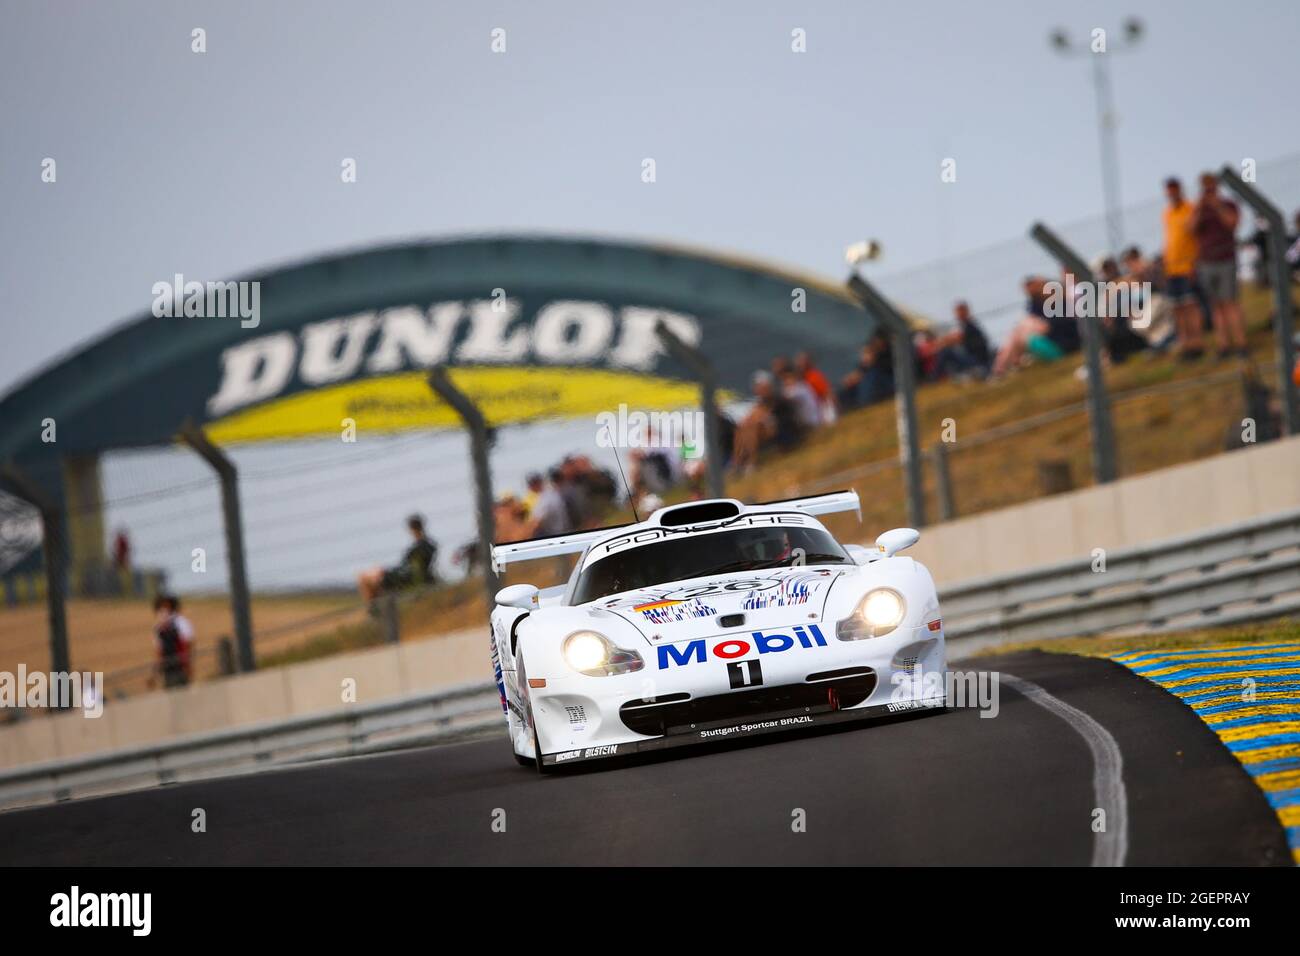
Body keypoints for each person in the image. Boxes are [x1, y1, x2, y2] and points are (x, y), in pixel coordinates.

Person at [1191, 172, 1247, 359]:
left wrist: (1217, 205)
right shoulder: (1199, 209)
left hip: (1225, 259)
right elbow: (1190, 229)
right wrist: (1200, 207)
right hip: (1206, 262)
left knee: (1230, 302)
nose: (1208, 190)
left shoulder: (1228, 204)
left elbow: (1232, 223)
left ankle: (1241, 344)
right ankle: (1223, 345)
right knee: (1216, 306)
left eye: (1210, 186)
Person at [1162, 177, 1204, 358]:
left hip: (1188, 265)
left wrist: (1195, 262)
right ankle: (1185, 344)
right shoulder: (1167, 213)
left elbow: (1197, 236)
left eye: (1174, 189)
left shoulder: (1191, 208)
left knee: (1190, 305)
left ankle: (1197, 342)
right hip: (1171, 268)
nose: (1171, 194)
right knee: (1177, 308)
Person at [357, 514, 438, 602]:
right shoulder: (430, 545)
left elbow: (407, 567)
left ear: (412, 529)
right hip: (411, 576)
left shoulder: (417, 548)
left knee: (364, 578)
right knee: (370, 576)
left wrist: (387, 572)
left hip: (405, 578)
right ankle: (376, 607)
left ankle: (373, 609)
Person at [933, 300, 992, 378]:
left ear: (965, 311)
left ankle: (935, 377)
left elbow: (955, 339)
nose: (957, 315)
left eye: (958, 312)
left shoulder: (969, 325)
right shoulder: (967, 324)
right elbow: (953, 337)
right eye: (956, 312)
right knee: (948, 352)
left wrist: (938, 344)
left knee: (946, 352)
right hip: (975, 358)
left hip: (978, 361)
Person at [151, 594, 193, 688]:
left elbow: (187, 645)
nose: (163, 611)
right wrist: (155, 675)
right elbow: (159, 653)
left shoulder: (181, 623)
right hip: (168, 671)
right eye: (161, 608)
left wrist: (187, 666)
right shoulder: (157, 629)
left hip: (180, 668)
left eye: (166, 607)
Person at [795, 351, 837, 423]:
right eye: (799, 361)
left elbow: (827, 393)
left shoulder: (814, 376)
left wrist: (829, 410)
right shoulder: (799, 378)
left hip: (820, 409)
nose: (800, 364)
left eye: (802, 361)